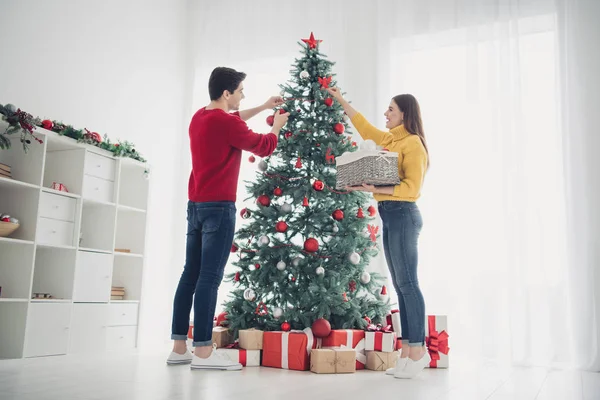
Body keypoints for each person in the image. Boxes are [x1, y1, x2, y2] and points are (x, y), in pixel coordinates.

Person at [167, 67, 289, 370]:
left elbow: (234, 121)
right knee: (209, 277)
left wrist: (262, 107)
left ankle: (179, 346)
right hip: (219, 209)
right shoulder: (225, 123)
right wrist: (277, 126)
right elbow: (263, 146)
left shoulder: (201, 117)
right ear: (227, 93)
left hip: (195, 206)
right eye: (241, 91)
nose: (243, 95)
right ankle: (204, 352)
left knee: (189, 275)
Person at [326, 87, 430, 379]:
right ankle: (408, 350)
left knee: (408, 282)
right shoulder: (390, 139)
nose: (385, 114)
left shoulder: (413, 144)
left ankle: (419, 350)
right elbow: (363, 126)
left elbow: (412, 189)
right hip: (390, 215)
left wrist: (374, 188)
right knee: (400, 285)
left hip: (404, 215)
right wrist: (339, 99)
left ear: (404, 115)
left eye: (391, 110)